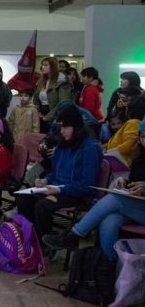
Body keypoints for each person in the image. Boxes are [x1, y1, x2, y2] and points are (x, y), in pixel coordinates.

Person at [43, 120, 145, 260]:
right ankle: (106, 269)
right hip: (135, 207)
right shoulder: (140, 157)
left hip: (138, 208)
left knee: (115, 198)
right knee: (109, 222)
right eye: (142, 136)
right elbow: (135, 180)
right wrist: (125, 182)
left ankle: (75, 234)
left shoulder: (88, 147)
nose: (144, 140)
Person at [15, 105, 103, 239]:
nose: (62, 131)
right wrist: (46, 180)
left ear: (76, 126)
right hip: (57, 188)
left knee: (42, 206)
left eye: (65, 127)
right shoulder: (63, 144)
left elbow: (86, 185)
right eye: (60, 127)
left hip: (77, 194)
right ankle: (33, 235)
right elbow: (56, 173)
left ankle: (44, 241)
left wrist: (59, 190)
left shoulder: (90, 148)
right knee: (23, 197)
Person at [104, 94, 145, 169]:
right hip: (119, 161)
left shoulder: (133, 122)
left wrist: (108, 153)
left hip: (122, 163)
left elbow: (128, 145)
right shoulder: (132, 122)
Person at [33, 57, 72, 134]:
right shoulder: (42, 80)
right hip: (41, 113)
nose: (43, 67)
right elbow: (36, 98)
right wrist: (37, 111)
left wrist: (47, 117)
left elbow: (63, 103)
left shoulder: (61, 82)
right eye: (42, 65)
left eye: (46, 65)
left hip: (55, 114)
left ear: (53, 67)